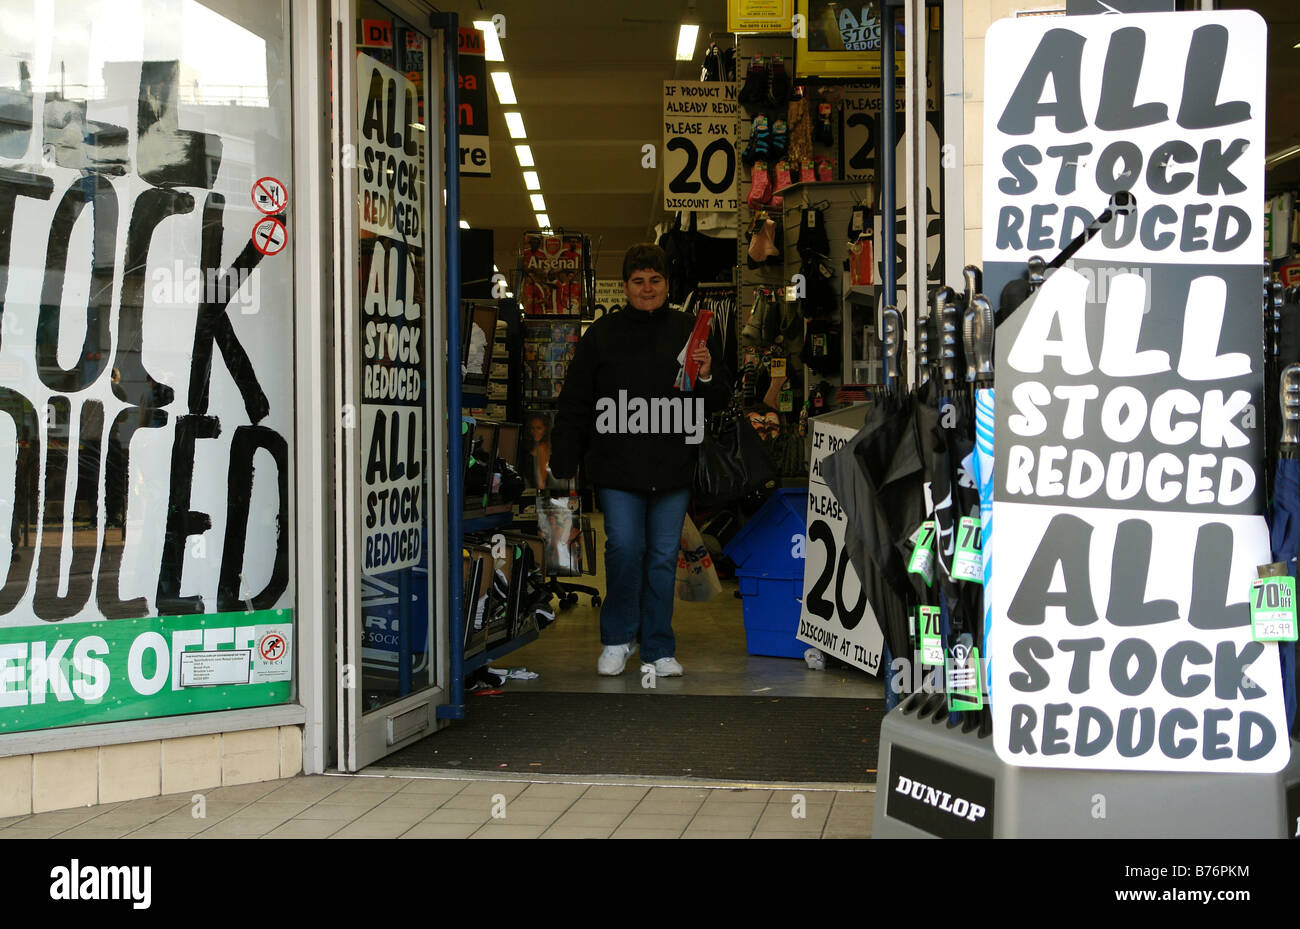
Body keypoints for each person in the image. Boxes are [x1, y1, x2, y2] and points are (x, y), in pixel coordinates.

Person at [550, 243, 730, 677]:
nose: (647, 288)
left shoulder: (694, 330)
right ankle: (617, 639)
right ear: (627, 286)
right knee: (626, 550)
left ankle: (658, 647)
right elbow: (576, 400)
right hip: (617, 467)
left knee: (664, 557)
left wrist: (705, 374)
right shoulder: (602, 334)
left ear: (667, 284)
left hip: (673, 466)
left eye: (655, 280)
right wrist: (563, 459)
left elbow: (720, 398)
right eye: (638, 281)